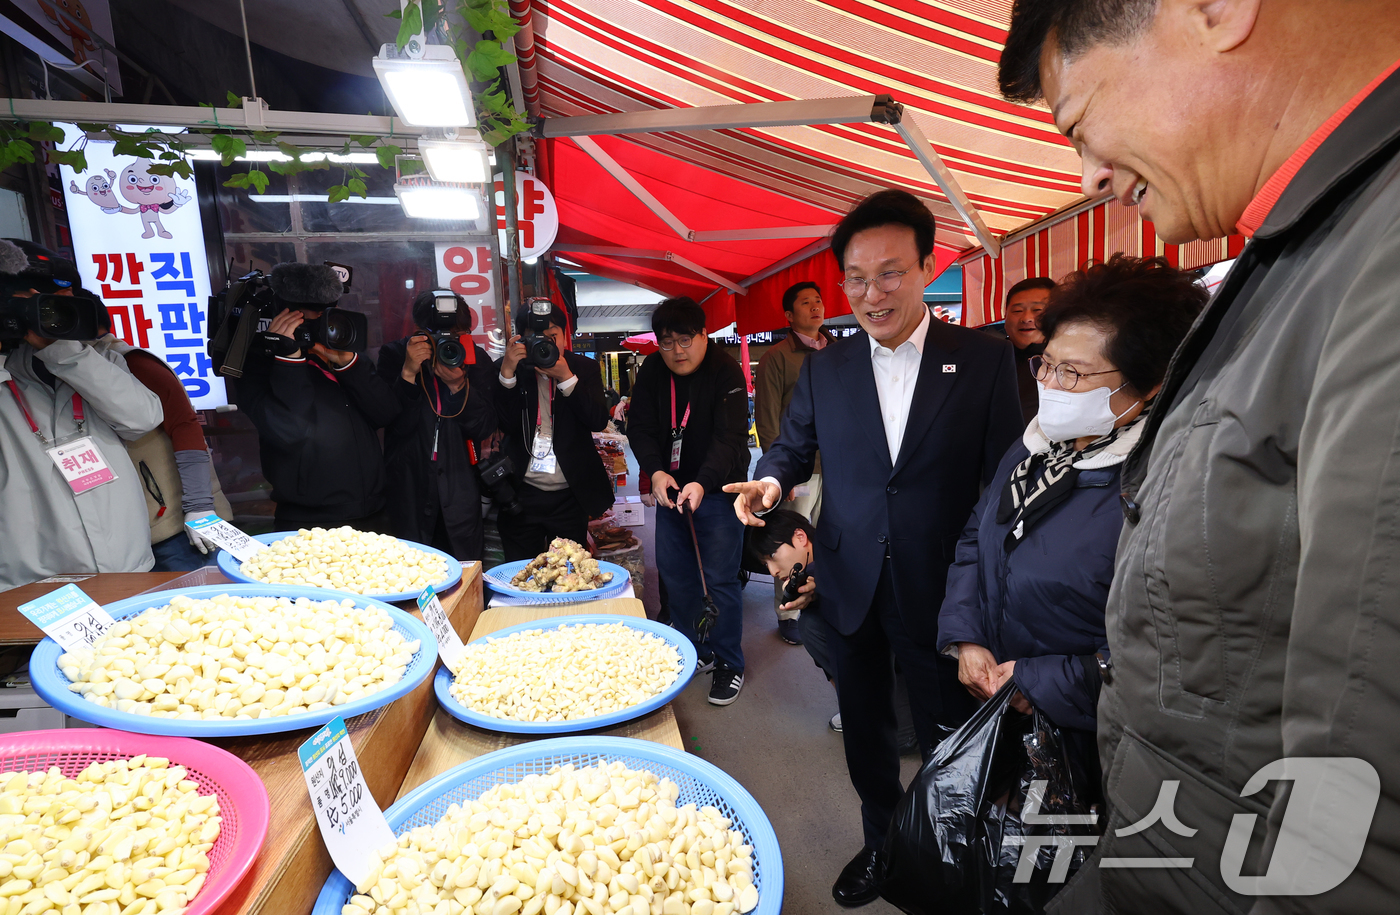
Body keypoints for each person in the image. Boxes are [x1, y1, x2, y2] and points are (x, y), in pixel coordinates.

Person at [998, 1, 1400, 911]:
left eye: (1078, 125)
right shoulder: (1300, 251)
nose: (1092, 175)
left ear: (1214, 11)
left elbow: (1370, 817)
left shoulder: (1376, 254)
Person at [726, 188, 1022, 906]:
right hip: (848, 578)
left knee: (952, 737)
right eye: (855, 278)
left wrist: (990, 590)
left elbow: (1007, 476)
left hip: (946, 588)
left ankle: (952, 860)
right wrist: (770, 486)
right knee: (866, 730)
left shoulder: (982, 360)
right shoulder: (829, 366)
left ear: (926, 266)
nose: (870, 293)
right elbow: (789, 447)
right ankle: (883, 847)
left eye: (889, 272)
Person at [938, 257, 1204, 831]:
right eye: (1047, 365)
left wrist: (1039, 683)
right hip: (1005, 708)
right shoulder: (1033, 448)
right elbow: (975, 539)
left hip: (1099, 743)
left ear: (1149, 386)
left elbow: (1171, 648)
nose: (1051, 386)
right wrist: (966, 637)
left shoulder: (1165, 484)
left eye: (1074, 374)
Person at [0, 239, 164, 590]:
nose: (54, 316)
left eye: (62, 306)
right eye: (44, 307)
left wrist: (65, 352)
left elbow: (143, 419)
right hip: (35, 582)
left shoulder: (98, 360)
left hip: (126, 565)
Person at [630, 297, 750, 706]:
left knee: (720, 579)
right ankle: (694, 649)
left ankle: (730, 662)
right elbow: (640, 428)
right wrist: (656, 470)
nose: (677, 351)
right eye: (667, 343)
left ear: (703, 335)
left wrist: (702, 482)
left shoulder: (725, 369)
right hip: (671, 488)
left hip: (718, 489)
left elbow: (731, 439)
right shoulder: (651, 370)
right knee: (676, 573)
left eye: (685, 340)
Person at [238, 263, 399, 532]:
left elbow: (386, 413)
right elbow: (291, 431)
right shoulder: (256, 363)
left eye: (327, 313)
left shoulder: (340, 351)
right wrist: (288, 360)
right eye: (308, 315)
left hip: (373, 510)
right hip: (307, 521)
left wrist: (349, 364)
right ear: (283, 313)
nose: (320, 322)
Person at [87, 293, 231, 571]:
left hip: (177, 524)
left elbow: (185, 426)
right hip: (133, 530)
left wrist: (199, 507)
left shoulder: (133, 362)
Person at [375, 292, 497, 560]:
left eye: (456, 333)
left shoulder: (475, 359)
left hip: (460, 483)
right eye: (437, 333)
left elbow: (483, 427)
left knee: (463, 567)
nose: (447, 341)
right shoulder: (396, 354)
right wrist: (408, 373)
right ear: (419, 330)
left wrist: (458, 386)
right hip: (409, 482)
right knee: (411, 568)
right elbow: (387, 420)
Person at [493, 301, 612, 559]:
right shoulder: (512, 369)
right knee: (522, 572)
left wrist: (567, 378)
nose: (544, 344)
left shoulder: (582, 367)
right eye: (535, 337)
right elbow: (506, 425)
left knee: (570, 572)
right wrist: (507, 374)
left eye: (552, 337)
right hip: (521, 493)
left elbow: (597, 420)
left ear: (564, 337)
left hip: (570, 493)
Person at [753, 281, 833, 646]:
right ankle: (788, 610)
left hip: (836, 467)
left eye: (818, 300)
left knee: (827, 540)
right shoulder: (777, 357)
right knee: (789, 544)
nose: (815, 307)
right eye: (805, 303)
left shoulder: (838, 351)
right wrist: (779, 478)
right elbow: (767, 421)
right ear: (789, 315)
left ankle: (820, 599)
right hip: (799, 471)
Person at [1003, 276, 1054, 423]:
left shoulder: (1073, 364)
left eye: (1037, 310)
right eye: (1017, 311)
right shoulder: (987, 359)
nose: (1026, 318)